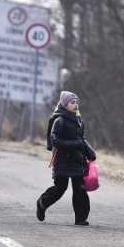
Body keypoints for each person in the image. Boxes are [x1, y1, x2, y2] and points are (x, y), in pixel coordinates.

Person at [37, 91, 96, 226]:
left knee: (80, 189)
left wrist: (89, 151)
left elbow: (81, 139)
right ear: (64, 104)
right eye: (72, 102)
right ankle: (42, 203)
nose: (75, 105)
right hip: (63, 161)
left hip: (77, 160)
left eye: (76, 102)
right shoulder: (59, 120)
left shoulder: (79, 119)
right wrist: (75, 144)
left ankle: (81, 218)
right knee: (60, 188)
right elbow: (55, 141)